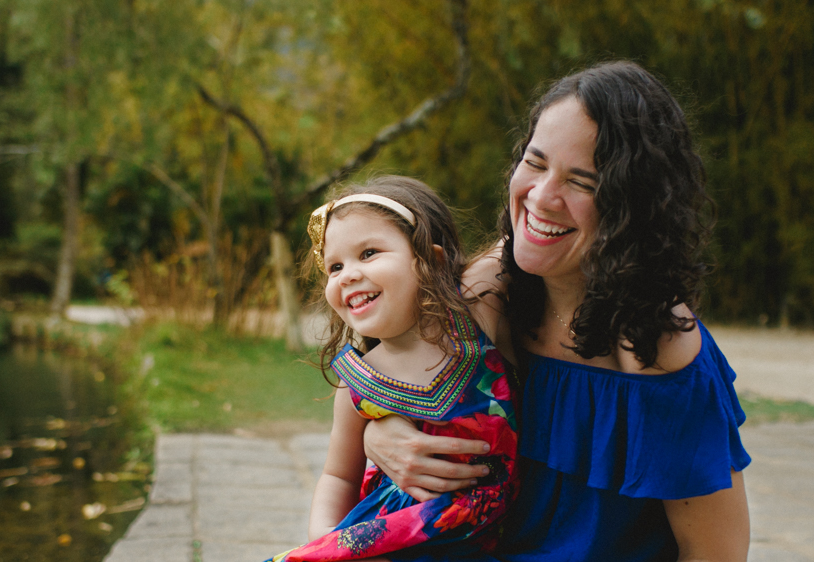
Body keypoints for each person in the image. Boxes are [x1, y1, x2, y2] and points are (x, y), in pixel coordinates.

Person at [362, 62, 752, 561]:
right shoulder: (487, 291)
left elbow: (714, 552)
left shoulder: (656, 348)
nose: (542, 197)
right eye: (536, 163)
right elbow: (381, 382)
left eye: (583, 182)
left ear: (632, 206)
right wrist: (380, 433)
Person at [269, 176, 519, 561]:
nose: (347, 274)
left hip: (490, 539)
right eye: (334, 266)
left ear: (431, 261)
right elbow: (339, 476)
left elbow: (518, 233)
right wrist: (328, 542)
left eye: (368, 253)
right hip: (391, 545)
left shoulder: (472, 321)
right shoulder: (357, 383)